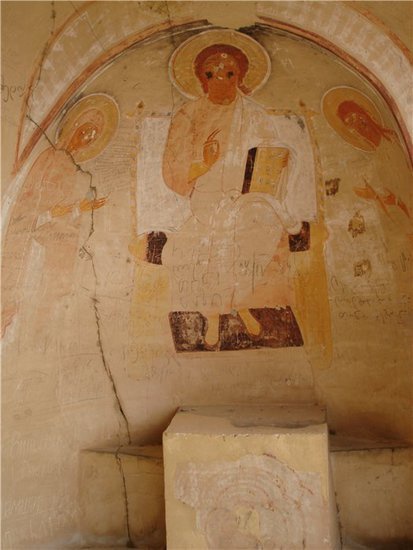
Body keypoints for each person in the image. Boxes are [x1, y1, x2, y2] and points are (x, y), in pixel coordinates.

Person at [162, 42, 304, 347]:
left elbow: (269, 156)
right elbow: (173, 172)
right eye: (211, 74)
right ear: (202, 80)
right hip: (207, 197)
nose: (221, 79)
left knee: (263, 229)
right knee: (216, 237)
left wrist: (275, 164)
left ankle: (241, 303)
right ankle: (215, 315)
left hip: (249, 197)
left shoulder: (254, 114)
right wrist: (204, 163)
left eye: (229, 73)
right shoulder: (188, 114)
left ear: (240, 77)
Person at [1, 97, 118, 337]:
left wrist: (82, 210)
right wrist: (53, 213)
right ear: (73, 127)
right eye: (84, 131)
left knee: (47, 303)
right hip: (33, 246)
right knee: (26, 300)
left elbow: (71, 218)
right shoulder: (48, 158)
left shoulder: (79, 175)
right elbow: (24, 204)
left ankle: (36, 336)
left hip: (56, 249)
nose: (85, 139)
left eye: (92, 137)